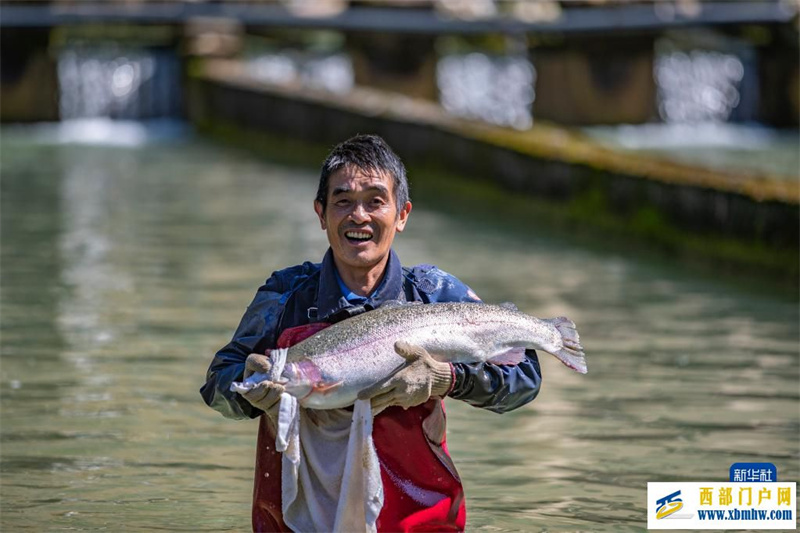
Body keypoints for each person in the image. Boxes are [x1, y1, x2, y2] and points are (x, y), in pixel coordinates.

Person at [200, 134, 543, 532]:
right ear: (320, 213)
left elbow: (524, 378)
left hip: (417, 519)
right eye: (342, 201)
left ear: (402, 214)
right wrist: (250, 392)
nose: (358, 216)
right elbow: (217, 385)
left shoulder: (433, 294)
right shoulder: (284, 296)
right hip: (294, 520)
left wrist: (448, 378)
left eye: (375, 201)